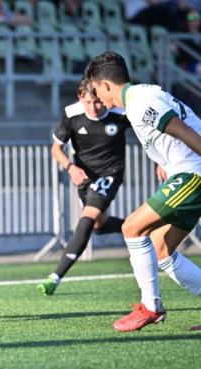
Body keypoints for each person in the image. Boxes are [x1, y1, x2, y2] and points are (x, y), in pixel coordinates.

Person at [85, 51, 201, 332]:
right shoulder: (141, 95)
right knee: (162, 248)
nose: (97, 95)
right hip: (185, 171)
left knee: (132, 227)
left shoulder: (139, 103)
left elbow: (183, 130)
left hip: (194, 173)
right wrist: (164, 163)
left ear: (106, 85)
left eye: (96, 88)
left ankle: (151, 307)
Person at [38, 77, 130, 295]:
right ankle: (138, 228)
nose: (94, 107)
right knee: (98, 226)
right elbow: (56, 149)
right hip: (84, 176)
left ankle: (56, 276)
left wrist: (161, 161)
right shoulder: (72, 114)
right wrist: (70, 167)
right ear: (80, 97)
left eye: (98, 102)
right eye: (88, 102)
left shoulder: (120, 113)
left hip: (110, 174)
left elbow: (150, 135)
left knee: (87, 217)